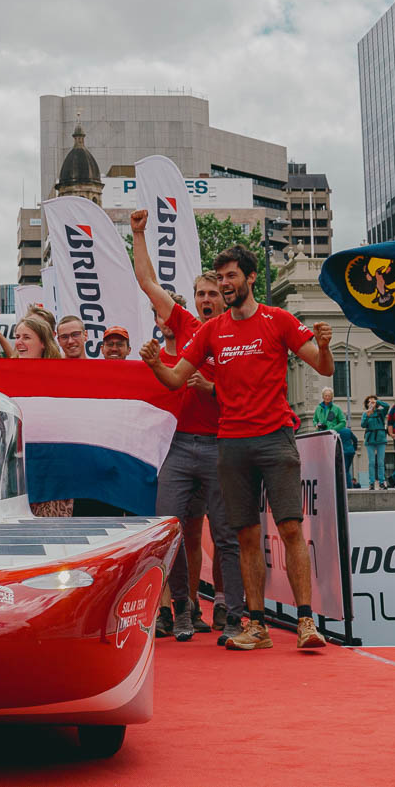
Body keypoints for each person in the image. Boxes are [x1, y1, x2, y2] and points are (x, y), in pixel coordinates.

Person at [147, 244, 335, 651]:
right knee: (246, 535)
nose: (225, 285)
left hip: (275, 438)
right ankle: (256, 625)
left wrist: (324, 345)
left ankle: (306, 621)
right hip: (230, 443)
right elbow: (177, 379)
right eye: (220, 278)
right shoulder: (211, 331)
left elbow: (323, 367)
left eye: (231, 277)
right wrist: (154, 364)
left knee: (289, 528)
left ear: (250, 279)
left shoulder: (278, 319)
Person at [129, 214, 242, 642]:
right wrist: (138, 233)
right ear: (193, 301)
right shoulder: (188, 327)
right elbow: (147, 282)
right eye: (201, 294)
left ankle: (231, 611)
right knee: (169, 529)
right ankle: (181, 609)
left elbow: (252, 391)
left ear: (226, 294)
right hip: (177, 446)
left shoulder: (241, 332)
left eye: (214, 292)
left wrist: (212, 388)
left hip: (221, 444)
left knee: (227, 532)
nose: (207, 298)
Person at [361, 395, 388, 489]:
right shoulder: (366, 414)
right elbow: (363, 425)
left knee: (381, 462)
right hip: (370, 439)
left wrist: (378, 402)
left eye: (373, 402)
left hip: (381, 439)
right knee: (371, 462)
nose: (371, 403)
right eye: (369, 402)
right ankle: (371, 482)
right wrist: (367, 416)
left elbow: (387, 406)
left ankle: (381, 481)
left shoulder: (381, 412)